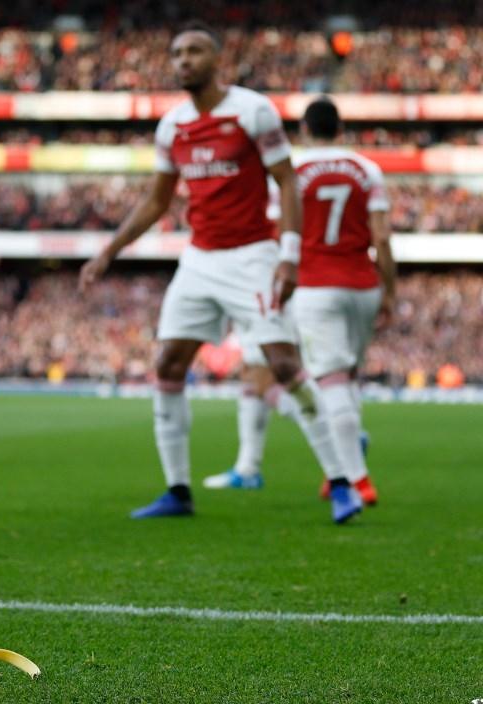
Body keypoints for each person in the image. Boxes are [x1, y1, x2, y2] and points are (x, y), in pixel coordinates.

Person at [79, 23, 361, 524]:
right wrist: (109, 251)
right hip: (199, 259)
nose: (183, 60)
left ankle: (343, 483)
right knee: (167, 365)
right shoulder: (173, 127)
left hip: (253, 256)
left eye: (194, 51)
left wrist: (290, 255)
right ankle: (178, 491)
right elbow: (157, 200)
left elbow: (288, 183)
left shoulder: (252, 111)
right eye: (177, 53)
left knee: (284, 366)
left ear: (217, 59)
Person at [204, 97, 395, 506]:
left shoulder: (293, 175)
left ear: (304, 132)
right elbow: (381, 237)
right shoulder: (367, 169)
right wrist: (390, 291)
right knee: (345, 376)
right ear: (341, 130)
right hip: (363, 285)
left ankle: (354, 479)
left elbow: (277, 234)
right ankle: (315, 461)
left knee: (323, 380)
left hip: (312, 285)